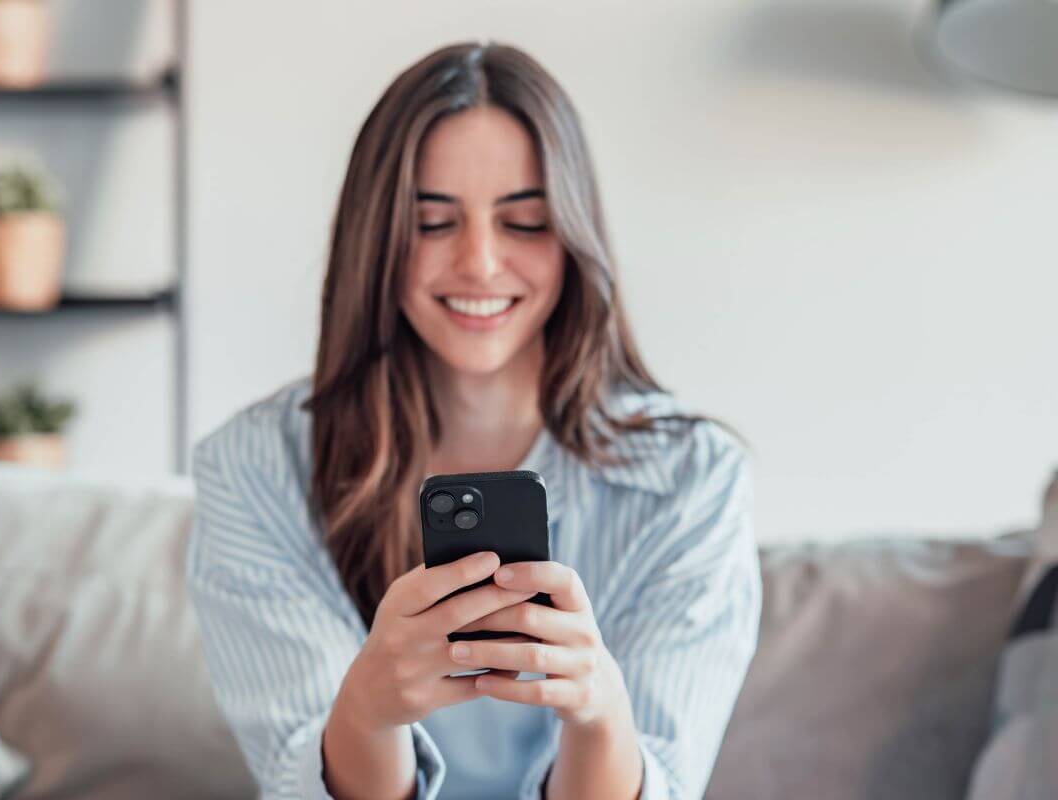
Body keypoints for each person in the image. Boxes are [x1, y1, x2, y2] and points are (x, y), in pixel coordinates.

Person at [186, 40, 761, 800]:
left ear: (573, 234)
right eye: (432, 223)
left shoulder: (696, 480)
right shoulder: (255, 468)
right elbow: (298, 771)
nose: (481, 263)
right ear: (375, 239)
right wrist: (368, 713)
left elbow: (667, 777)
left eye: (524, 221)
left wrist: (599, 717)